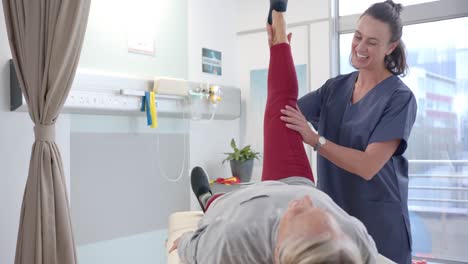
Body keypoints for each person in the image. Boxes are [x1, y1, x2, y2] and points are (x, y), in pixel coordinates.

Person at [168, 10, 378, 264]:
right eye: (323, 212)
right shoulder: (354, 238)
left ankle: (205, 197)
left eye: (301, 216)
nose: (306, 203)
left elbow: (192, 245)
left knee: (218, 205)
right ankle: (279, 37)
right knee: (283, 109)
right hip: (295, 181)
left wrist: (183, 243)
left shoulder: (233, 240)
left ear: (279, 251)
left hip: (243, 207)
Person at [280, 1, 417, 263]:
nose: (360, 47)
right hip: (335, 218)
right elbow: (284, 111)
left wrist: (314, 139)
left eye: (373, 42)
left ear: (390, 47)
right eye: (358, 36)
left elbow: (368, 165)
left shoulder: (399, 98)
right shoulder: (335, 88)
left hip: (381, 224)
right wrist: (280, 52)